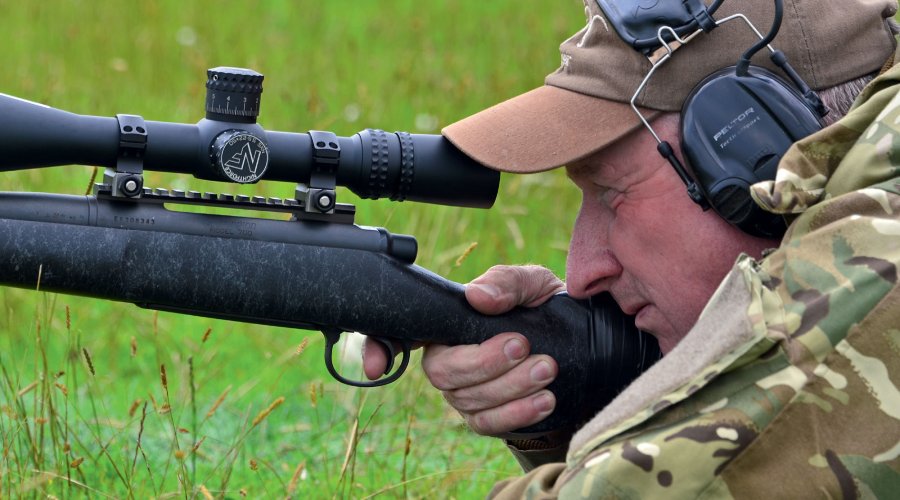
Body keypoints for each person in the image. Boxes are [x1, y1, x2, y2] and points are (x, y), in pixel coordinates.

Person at [366, 0, 900, 497]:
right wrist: (587, 400)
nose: (581, 273)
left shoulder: (879, 253)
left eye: (613, 194)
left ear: (754, 155)